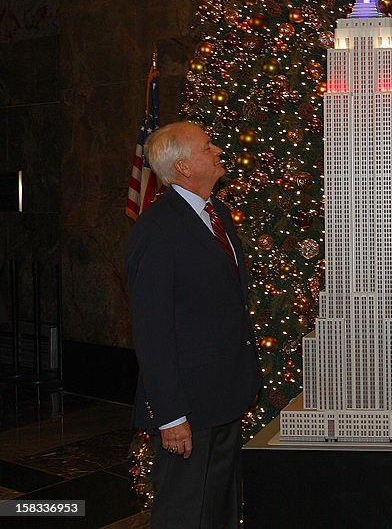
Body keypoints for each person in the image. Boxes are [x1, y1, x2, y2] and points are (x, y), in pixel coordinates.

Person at [126, 121, 262, 528]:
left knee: (218, 510)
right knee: (184, 513)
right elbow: (152, 331)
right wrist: (170, 416)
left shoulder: (215, 213)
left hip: (224, 396)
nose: (218, 150)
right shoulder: (156, 230)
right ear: (183, 167)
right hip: (186, 406)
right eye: (207, 146)